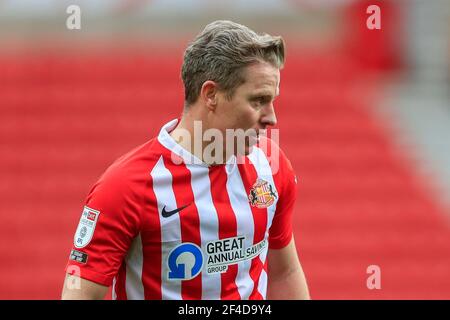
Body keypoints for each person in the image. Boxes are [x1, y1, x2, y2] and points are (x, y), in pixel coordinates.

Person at [62, 20, 310, 300]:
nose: (271, 118)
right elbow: (80, 294)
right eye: (258, 100)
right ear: (211, 95)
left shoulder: (270, 166)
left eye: (272, 100)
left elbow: (284, 273)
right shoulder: (125, 186)